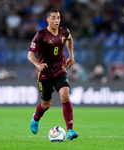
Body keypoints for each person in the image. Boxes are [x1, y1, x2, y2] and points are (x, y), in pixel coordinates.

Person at [27, 9, 78, 140]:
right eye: (54, 18)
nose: (57, 21)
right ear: (48, 20)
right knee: (46, 105)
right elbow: (30, 55)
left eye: (58, 18)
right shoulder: (40, 35)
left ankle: (70, 130)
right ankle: (36, 118)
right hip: (45, 74)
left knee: (65, 96)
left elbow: (69, 38)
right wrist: (38, 65)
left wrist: (71, 55)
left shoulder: (64, 31)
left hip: (60, 70)